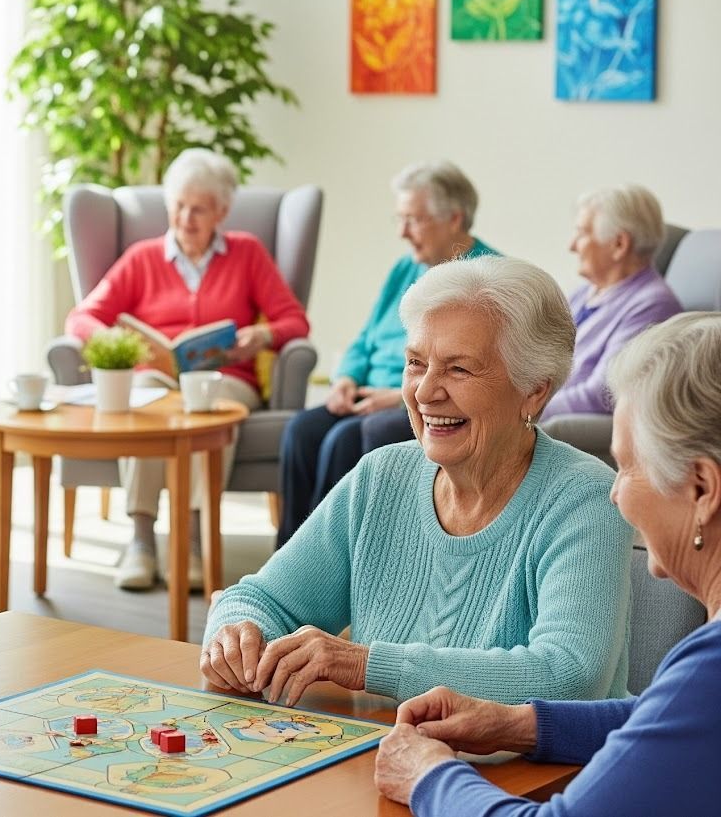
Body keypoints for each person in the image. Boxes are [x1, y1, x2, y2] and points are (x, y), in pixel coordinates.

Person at [202, 257, 631, 707]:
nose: (425, 392)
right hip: (381, 758)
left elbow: (568, 675)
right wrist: (236, 634)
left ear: (535, 389)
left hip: (531, 774)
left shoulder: (584, 499)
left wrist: (364, 664)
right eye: (415, 363)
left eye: (459, 369)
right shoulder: (381, 476)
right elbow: (262, 599)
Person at [376, 313, 721, 815]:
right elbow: (666, 720)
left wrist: (428, 775)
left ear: (703, 490)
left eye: (627, 467)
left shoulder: (710, 668)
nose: (616, 492)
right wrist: (517, 723)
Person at [65, 148, 310, 590]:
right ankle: (141, 539)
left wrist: (261, 336)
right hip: (157, 372)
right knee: (144, 398)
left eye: (198, 208)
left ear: (222, 210)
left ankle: (193, 540)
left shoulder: (247, 254)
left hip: (226, 379)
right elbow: (82, 317)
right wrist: (114, 343)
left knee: (204, 405)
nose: (186, 218)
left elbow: (294, 320)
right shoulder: (142, 258)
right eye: (178, 205)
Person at [277, 161, 498, 548]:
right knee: (301, 430)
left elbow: (477, 367)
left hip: (421, 397)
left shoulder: (487, 277)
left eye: (413, 220)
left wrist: (401, 396)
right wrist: (344, 379)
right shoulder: (404, 269)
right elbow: (365, 338)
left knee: (340, 441)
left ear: (454, 218)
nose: (402, 232)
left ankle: (328, 562)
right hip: (364, 393)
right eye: (400, 219)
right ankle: (286, 558)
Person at [539, 184, 682, 420]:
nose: (572, 246)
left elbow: (602, 394)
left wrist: (517, 411)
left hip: (557, 424)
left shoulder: (652, 305)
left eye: (583, 233)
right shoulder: (584, 293)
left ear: (619, 244)